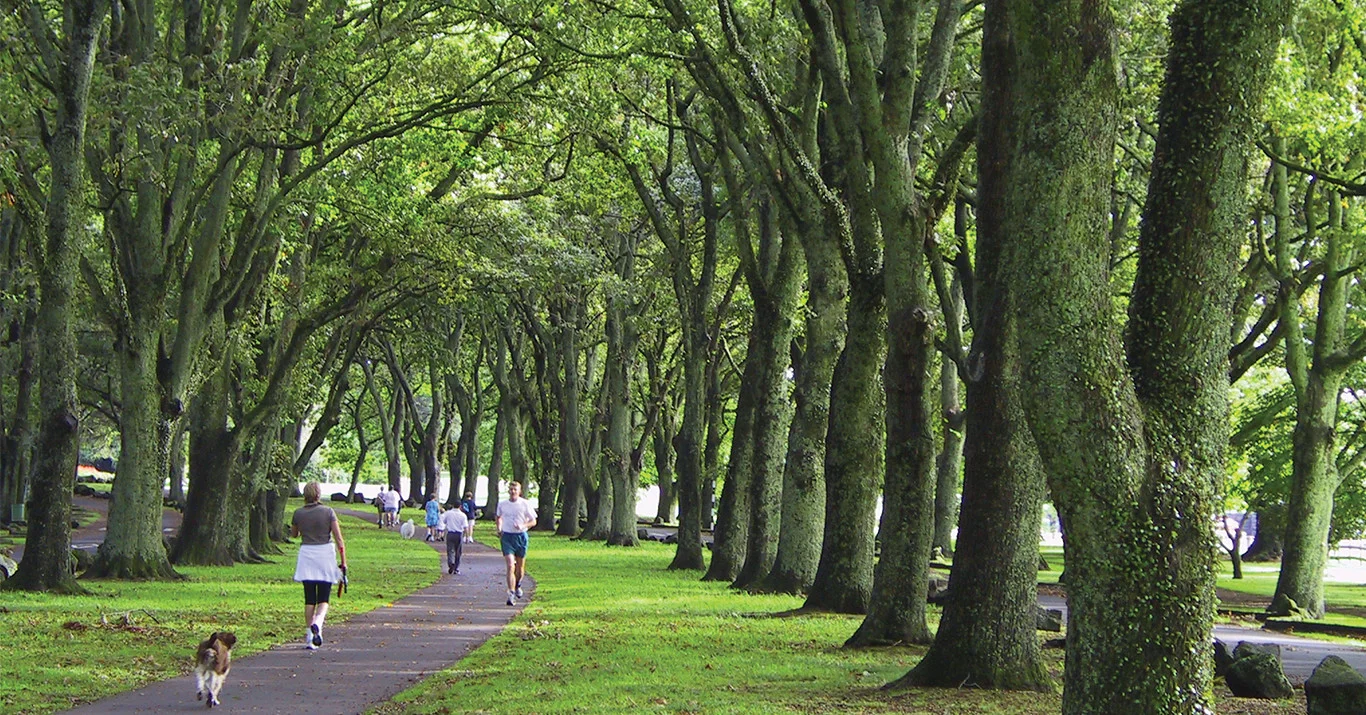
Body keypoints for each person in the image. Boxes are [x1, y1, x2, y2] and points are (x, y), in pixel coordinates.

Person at [291, 482, 347, 651]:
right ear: (318, 494)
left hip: (307, 554)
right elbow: (338, 538)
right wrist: (343, 561)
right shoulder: (328, 512)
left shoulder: (298, 513)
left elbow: (294, 534)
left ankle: (310, 638)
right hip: (325, 554)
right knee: (324, 597)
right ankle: (318, 623)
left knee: (309, 598)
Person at [495, 481, 536, 606]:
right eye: (511, 489)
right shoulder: (502, 504)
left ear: (519, 491)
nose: (513, 491)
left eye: (515, 489)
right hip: (507, 536)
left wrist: (523, 525)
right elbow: (498, 517)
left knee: (520, 568)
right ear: (508, 491)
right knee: (510, 565)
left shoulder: (525, 504)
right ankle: (511, 593)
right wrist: (499, 529)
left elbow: (533, 521)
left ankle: (518, 584)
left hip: (521, 537)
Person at [439, 504, 469, 575]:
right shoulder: (463, 515)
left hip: (450, 533)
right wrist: (467, 537)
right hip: (459, 534)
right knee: (458, 551)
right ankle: (456, 568)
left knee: (450, 550)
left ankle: (451, 563)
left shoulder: (448, 513)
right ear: (460, 506)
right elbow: (465, 527)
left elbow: (443, 521)